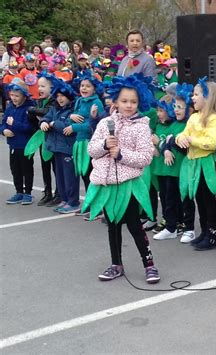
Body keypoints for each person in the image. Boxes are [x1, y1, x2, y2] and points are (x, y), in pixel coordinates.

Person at [80, 74, 159, 283]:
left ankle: (149, 264)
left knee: (134, 225)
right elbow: (91, 150)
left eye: (133, 101)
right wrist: (105, 145)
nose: (129, 105)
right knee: (113, 225)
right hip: (106, 185)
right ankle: (116, 264)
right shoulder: (105, 123)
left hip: (128, 185)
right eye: (124, 101)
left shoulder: (142, 126)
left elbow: (145, 157)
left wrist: (122, 154)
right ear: (115, 101)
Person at [175, 77, 216, 250]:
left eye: (196, 94)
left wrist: (190, 139)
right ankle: (204, 232)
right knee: (199, 199)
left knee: (208, 200)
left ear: (208, 97)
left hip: (207, 164)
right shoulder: (193, 117)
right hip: (193, 163)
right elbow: (182, 134)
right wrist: (180, 138)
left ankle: (212, 236)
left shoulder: (214, 119)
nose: (193, 98)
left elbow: (211, 143)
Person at [152, 91, 190, 241]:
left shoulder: (177, 126)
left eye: (162, 110)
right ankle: (173, 223)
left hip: (174, 169)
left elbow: (173, 147)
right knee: (166, 197)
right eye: (158, 110)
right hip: (161, 169)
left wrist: (160, 145)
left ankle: (172, 226)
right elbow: (158, 150)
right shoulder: (159, 127)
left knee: (171, 199)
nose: (159, 114)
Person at [39, 79, 80, 213]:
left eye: (63, 96)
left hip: (68, 149)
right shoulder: (54, 108)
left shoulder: (73, 111)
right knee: (60, 177)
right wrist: (44, 123)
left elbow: (66, 127)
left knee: (70, 177)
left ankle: (73, 201)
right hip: (56, 149)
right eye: (58, 96)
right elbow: (46, 117)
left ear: (69, 96)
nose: (60, 98)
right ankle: (64, 199)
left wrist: (53, 124)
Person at [69, 71, 105, 214]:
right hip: (79, 142)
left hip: (90, 142)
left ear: (94, 89)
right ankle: (89, 203)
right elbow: (70, 119)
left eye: (88, 86)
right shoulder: (78, 101)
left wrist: (74, 127)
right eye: (82, 86)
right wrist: (71, 116)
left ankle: (98, 206)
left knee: (91, 175)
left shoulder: (96, 102)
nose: (84, 88)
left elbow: (96, 126)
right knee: (84, 174)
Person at [25, 72, 60, 206]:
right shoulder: (39, 101)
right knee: (45, 167)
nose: (40, 89)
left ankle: (59, 193)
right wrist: (32, 113)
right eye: (39, 86)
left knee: (56, 168)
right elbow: (32, 119)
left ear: (52, 88)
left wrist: (32, 110)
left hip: (54, 138)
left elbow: (48, 113)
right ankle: (47, 192)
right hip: (42, 138)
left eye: (43, 86)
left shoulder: (55, 101)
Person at [0, 79, 35, 204]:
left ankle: (28, 193)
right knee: (15, 169)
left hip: (25, 145)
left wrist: (14, 124)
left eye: (17, 96)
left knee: (26, 169)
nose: (14, 98)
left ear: (24, 96)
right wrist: (4, 131)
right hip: (13, 144)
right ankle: (19, 191)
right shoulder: (10, 107)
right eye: (12, 95)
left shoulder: (29, 109)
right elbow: (3, 123)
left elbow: (30, 128)